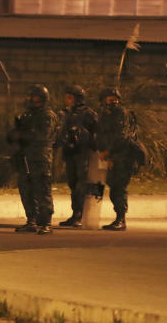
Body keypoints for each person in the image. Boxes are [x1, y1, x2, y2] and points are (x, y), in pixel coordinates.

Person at [9, 85, 59, 235]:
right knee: (26, 189)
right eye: (31, 97)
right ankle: (31, 220)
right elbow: (18, 134)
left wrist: (23, 134)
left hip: (40, 157)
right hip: (26, 156)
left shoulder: (48, 115)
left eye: (35, 97)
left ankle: (47, 223)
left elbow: (42, 136)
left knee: (42, 189)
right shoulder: (28, 115)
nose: (32, 100)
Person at [56, 85, 98, 228]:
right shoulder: (64, 113)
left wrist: (83, 136)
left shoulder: (88, 113)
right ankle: (75, 214)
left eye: (70, 97)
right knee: (73, 183)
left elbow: (97, 131)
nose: (67, 100)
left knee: (82, 183)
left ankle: (79, 214)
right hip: (70, 152)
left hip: (82, 152)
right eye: (66, 97)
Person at [96, 88, 136, 231]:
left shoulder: (121, 114)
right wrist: (102, 150)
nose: (113, 102)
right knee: (114, 186)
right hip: (111, 156)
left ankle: (121, 219)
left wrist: (108, 152)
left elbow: (121, 136)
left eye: (115, 99)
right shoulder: (105, 114)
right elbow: (101, 134)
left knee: (119, 188)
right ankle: (119, 218)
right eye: (109, 99)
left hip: (123, 155)